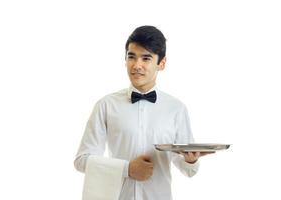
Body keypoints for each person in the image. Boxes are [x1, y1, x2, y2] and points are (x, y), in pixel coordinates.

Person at [74, 25, 213, 200]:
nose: (137, 65)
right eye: (131, 57)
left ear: (161, 63)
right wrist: (127, 169)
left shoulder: (176, 109)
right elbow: (81, 161)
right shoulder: (106, 105)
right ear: (125, 60)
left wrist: (191, 160)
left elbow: (188, 171)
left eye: (146, 58)